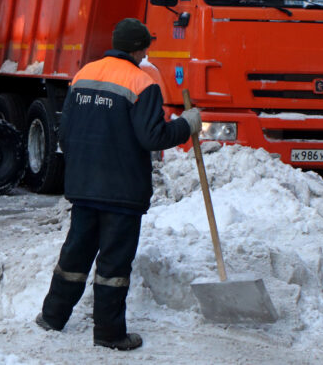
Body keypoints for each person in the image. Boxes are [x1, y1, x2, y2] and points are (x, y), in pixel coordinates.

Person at [35, 18, 201, 351]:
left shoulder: (83, 75)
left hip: (83, 186)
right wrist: (186, 124)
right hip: (121, 191)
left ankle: (52, 315)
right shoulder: (142, 82)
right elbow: (152, 136)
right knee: (113, 264)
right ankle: (109, 333)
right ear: (140, 49)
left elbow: (65, 132)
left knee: (75, 254)